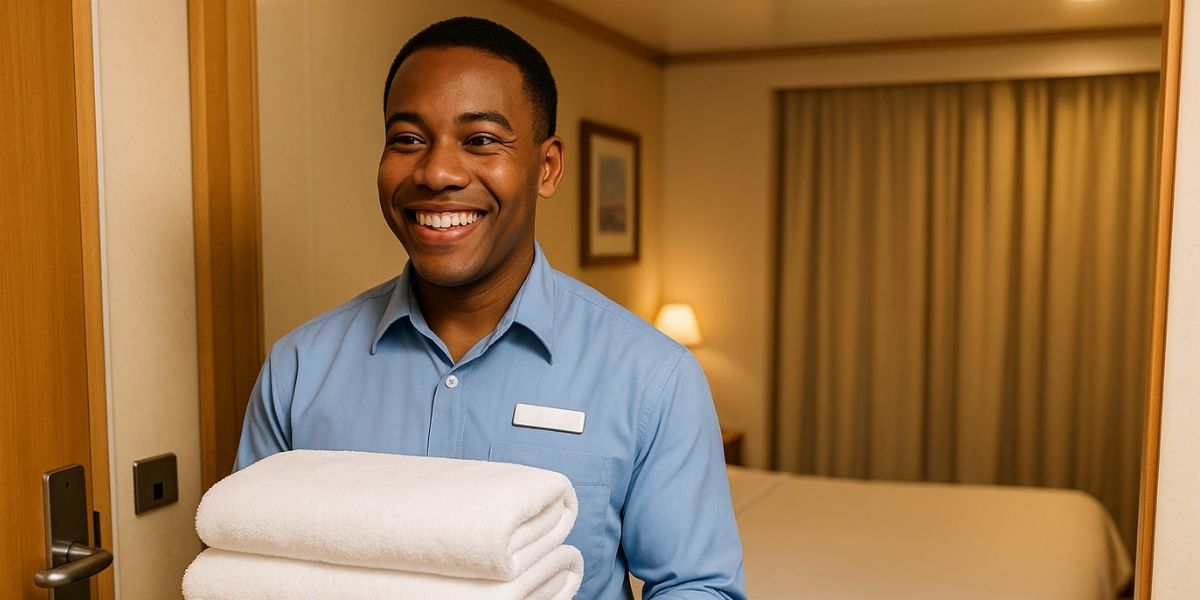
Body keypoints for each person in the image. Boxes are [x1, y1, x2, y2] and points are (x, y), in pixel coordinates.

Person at [236, 16, 745, 599]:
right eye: (407, 139)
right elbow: (251, 566)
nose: (437, 172)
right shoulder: (299, 371)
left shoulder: (653, 377)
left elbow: (698, 587)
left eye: (480, 140)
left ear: (547, 167)